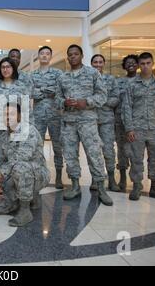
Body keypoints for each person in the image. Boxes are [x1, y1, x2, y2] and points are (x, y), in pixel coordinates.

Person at [55, 45, 114, 206]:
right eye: (70, 55)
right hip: (69, 122)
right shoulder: (63, 77)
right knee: (70, 155)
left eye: (76, 54)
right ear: (67, 58)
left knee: (94, 153)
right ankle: (75, 185)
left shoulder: (92, 73)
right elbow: (57, 99)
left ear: (81, 56)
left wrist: (86, 102)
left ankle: (101, 187)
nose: (73, 57)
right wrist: (64, 102)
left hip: (87, 121)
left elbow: (102, 96)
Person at [122, 52, 155, 202]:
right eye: (142, 64)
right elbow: (127, 108)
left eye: (148, 63)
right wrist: (129, 128)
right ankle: (137, 186)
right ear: (139, 65)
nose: (145, 66)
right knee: (136, 158)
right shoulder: (131, 85)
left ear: (152, 64)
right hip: (136, 129)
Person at [0, 103, 49, 227]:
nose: (8, 117)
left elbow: (21, 158)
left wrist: (2, 173)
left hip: (37, 174)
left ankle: (25, 210)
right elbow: (1, 164)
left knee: (20, 167)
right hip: (14, 173)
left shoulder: (28, 130)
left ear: (19, 116)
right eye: (5, 114)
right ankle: (26, 198)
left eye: (12, 114)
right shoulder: (5, 136)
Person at [0, 57, 32, 177]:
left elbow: (26, 109)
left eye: (8, 67)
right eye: (3, 67)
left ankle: (11, 186)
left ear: (13, 68)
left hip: (15, 129)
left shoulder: (21, 86)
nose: (5, 69)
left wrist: (27, 127)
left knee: (14, 158)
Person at [31, 46, 64, 189]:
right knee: (37, 146)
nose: (44, 56)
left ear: (50, 56)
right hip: (38, 115)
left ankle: (58, 176)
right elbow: (32, 92)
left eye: (47, 54)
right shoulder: (32, 75)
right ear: (38, 56)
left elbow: (59, 91)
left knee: (57, 146)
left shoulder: (58, 73)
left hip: (55, 114)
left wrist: (42, 91)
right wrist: (47, 92)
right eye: (42, 54)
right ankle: (39, 174)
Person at [91, 54, 120, 192]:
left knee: (108, 150)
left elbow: (116, 98)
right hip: (90, 120)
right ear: (91, 64)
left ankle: (112, 179)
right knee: (93, 151)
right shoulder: (87, 78)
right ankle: (95, 179)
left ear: (104, 64)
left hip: (107, 120)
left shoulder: (111, 79)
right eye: (95, 62)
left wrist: (100, 101)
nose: (98, 64)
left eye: (100, 62)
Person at [115, 54, 138, 191]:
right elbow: (115, 100)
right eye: (128, 63)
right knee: (122, 151)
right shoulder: (119, 83)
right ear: (124, 66)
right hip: (120, 122)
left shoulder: (141, 81)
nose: (131, 65)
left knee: (136, 151)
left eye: (134, 62)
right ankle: (122, 178)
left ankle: (136, 180)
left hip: (137, 122)